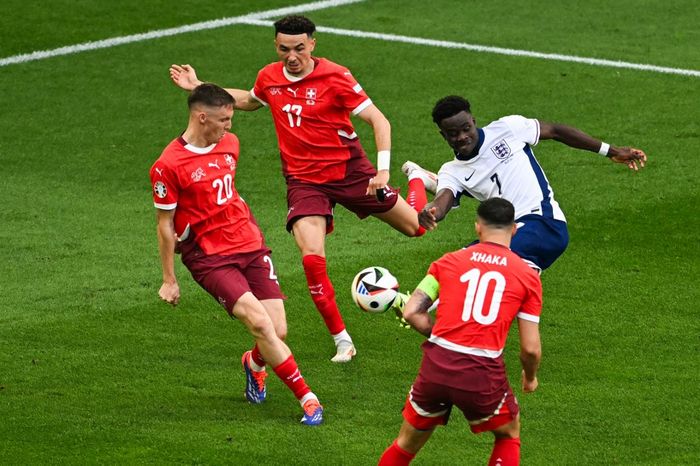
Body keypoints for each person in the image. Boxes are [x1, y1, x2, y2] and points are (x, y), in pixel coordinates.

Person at [169, 15, 432, 363]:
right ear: (276, 46)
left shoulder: (336, 76)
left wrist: (382, 171)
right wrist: (200, 87)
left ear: (312, 44)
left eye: (298, 48)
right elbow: (249, 100)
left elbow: (378, 120)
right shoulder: (270, 77)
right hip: (304, 182)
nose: (291, 56)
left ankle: (418, 179)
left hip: (351, 173)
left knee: (418, 227)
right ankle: (342, 340)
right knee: (311, 259)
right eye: (283, 49)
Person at [150, 83, 323, 425]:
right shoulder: (167, 165)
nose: (230, 126)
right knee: (260, 323)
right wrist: (169, 279)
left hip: (249, 243)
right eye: (224, 120)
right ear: (202, 118)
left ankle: (254, 364)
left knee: (277, 329)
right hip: (209, 257)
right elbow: (164, 225)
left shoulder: (230, 144)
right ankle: (308, 399)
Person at [378, 198, 542, 466]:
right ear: (514, 229)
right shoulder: (527, 277)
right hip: (481, 373)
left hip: (436, 368)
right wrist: (530, 378)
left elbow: (410, 311)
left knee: (405, 444)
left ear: (478, 227)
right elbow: (530, 349)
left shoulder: (448, 262)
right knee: (508, 434)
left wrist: (445, 335)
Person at [402, 95, 648, 273]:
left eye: (466, 128)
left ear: (473, 120)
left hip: (543, 223)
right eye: (453, 134)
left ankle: (418, 305)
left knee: (465, 263)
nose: (462, 136)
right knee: (469, 274)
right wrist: (431, 211)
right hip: (509, 235)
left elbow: (557, 131)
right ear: (443, 136)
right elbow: (443, 201)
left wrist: (611, 151)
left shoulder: (508, 129)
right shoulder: (453, 171)